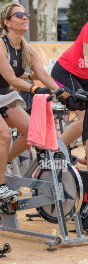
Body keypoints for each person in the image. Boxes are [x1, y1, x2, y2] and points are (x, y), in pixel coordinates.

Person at [0, 2, 69, 201]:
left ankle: (2, 163)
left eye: (25, 14)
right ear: (6, 22)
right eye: (18, 14)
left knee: (32, 130)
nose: (25, 17)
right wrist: (35, 89)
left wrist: (60, 90)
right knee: (4, 135)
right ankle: (0, 187)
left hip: (3, 96)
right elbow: (12, 80)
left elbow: (42, 74)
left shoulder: (27, 48)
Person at [51, 22, 88, 168]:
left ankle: (63, 152)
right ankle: (56, 154)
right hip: (66, 73)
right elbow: (87, 56)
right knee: (84, 116)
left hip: (84, 77)